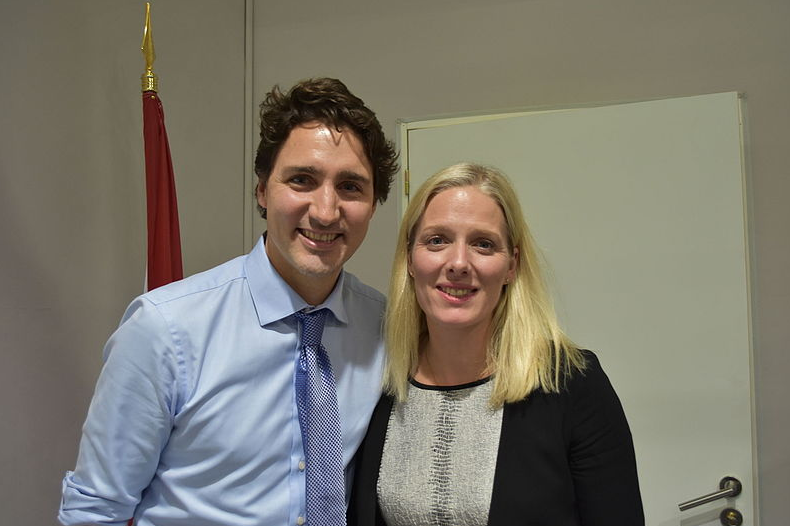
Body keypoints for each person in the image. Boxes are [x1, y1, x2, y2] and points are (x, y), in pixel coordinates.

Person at [59, 77, 398, 526]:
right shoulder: (165, 329)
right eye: (302, 180)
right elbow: (95, 510)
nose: (325, 210)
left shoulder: (386, 329)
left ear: (373, 204)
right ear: (262, 190)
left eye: (351, 187)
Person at [348, 162, 644, 526]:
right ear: (410, 258)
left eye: (483, 244)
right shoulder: (379, 378)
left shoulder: (570, 382)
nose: (458, 263)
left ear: (511, 266)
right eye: (437, 240)